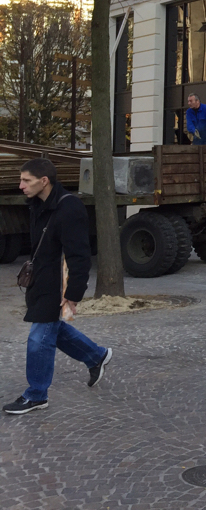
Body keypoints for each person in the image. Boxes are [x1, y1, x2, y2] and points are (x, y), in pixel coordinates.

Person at [4, 159, 113, 415]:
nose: (21, 186)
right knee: (53, 330)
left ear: (44, 181)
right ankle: (96, 356)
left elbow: (79, 255)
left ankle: (36, 394)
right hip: (39, 281)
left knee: (38, 337)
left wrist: (73, 294)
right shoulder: (36, 204)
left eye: (26, 181)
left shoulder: (69, 208)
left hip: (56, 285)